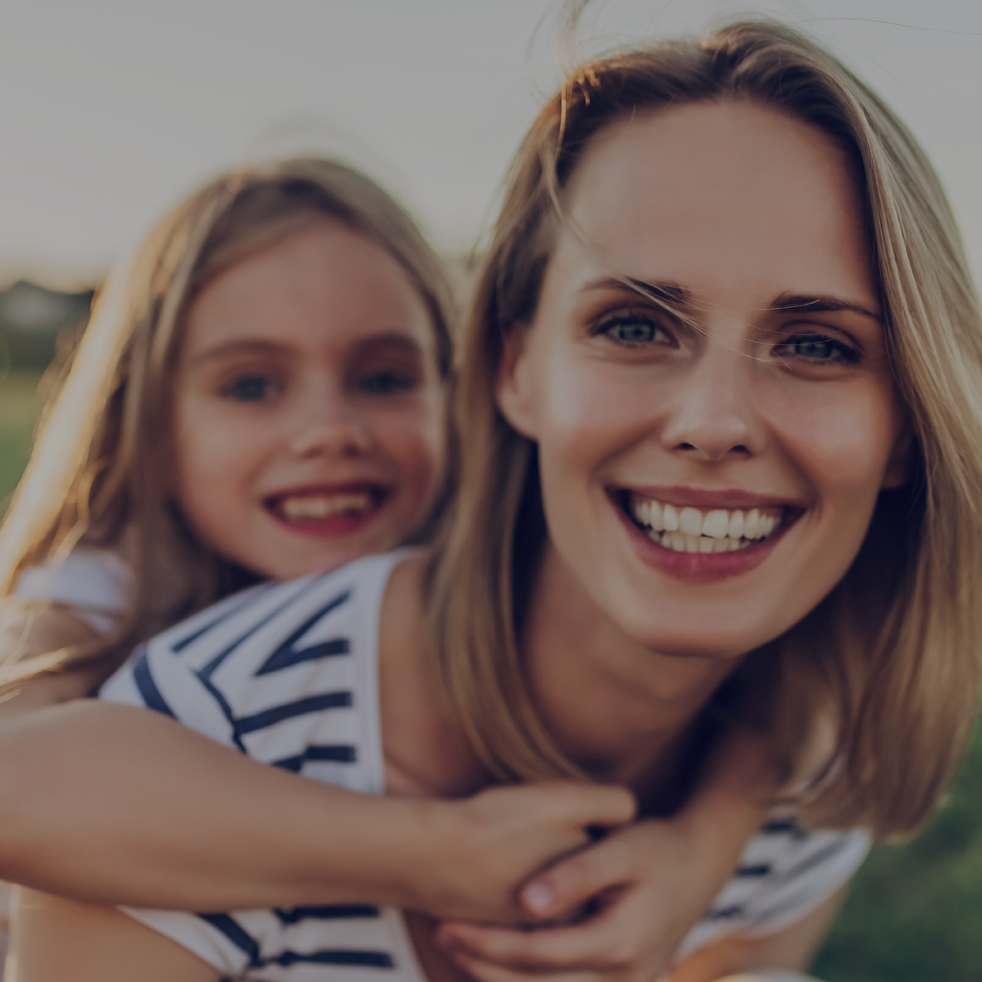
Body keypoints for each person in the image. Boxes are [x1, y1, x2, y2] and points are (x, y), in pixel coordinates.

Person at [7, 16, 982, 982]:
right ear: (516, 370)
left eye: (818, 344)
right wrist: (431, 851)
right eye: (635, 326)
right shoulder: (162, 667)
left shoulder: (800, 757)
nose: (713, 421)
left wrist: (710, 840)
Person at [0, 157, 773, 979]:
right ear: (150, 423)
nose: (328, 430)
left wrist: (703, 846)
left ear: (463, 394)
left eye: (383, 378)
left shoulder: (488, 561)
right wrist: (426, 853)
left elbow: (779, 684)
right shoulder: (106, 579)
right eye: (252, 386)